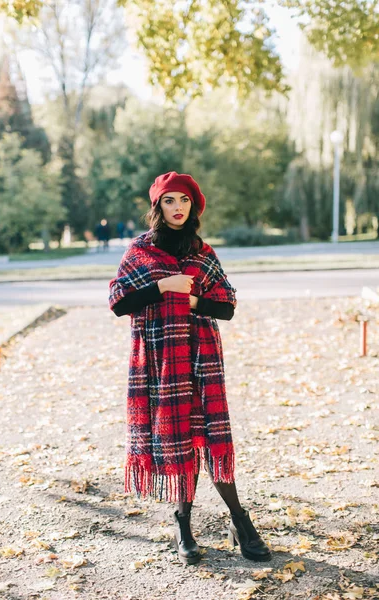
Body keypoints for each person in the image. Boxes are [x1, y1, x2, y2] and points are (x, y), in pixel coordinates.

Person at [108, 172, 271, 566]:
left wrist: (194, 300)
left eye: (184, 200)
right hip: (161, 362)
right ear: (158, 207)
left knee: (211, 439)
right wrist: (164, 287)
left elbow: (227, 307)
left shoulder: (203, 252)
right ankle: (183, 523)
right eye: (169, 201)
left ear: (193, 205)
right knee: (181, 440)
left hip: (202, 360)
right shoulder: (140, 250)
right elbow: (118, 302)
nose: (177, 207)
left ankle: (239, 520)